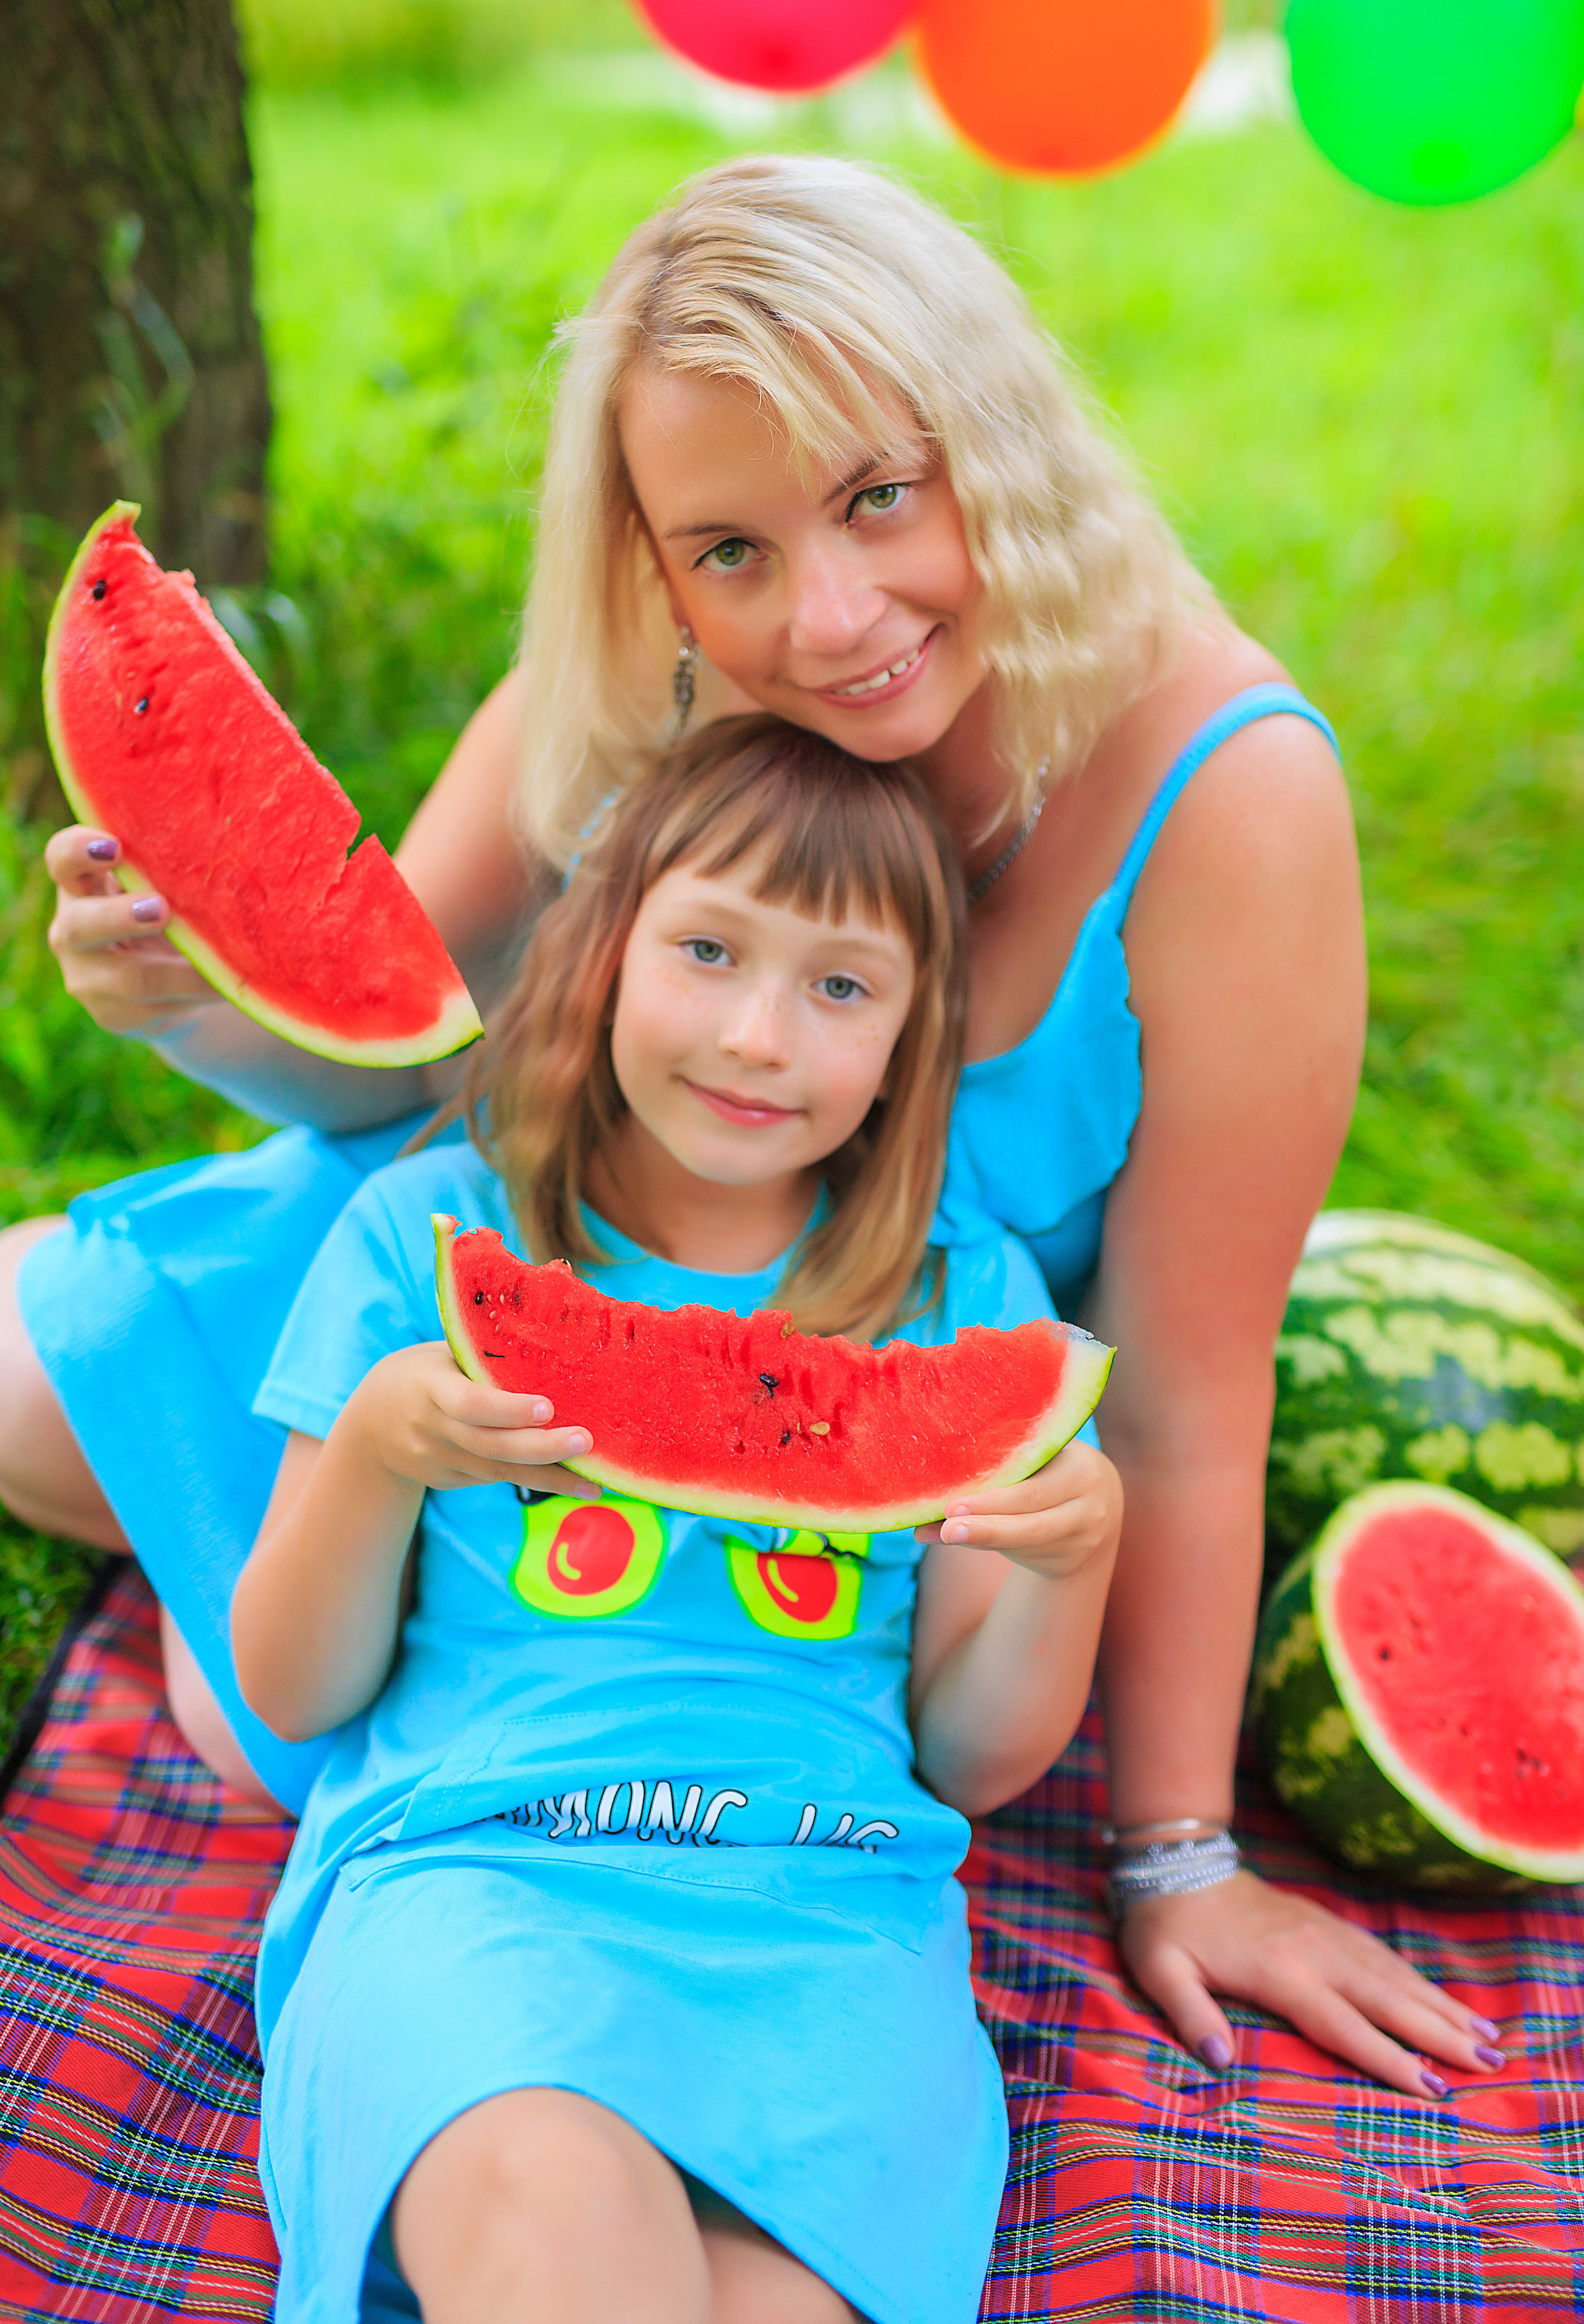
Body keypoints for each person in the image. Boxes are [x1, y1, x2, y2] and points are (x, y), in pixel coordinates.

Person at [0, 154, 1502, 2096]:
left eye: (884, 494)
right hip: (470, 1304)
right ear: (653, 555)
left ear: (1002, 437)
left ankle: (276, 1629)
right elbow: (399, 1066)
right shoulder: (647, 665)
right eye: (731, 550)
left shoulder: (1230, 801)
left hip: (815, 1485)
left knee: (245, 1697)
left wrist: (1180, 1857)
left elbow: (1184, 1400)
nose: (830, 616)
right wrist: (195, 1004)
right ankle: (280, 1590)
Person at [232, 715, 1121, 2323]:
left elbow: (975, 1754)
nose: (761, 1036)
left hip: (825, 1915)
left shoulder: (968, 1304)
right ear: (607, 945)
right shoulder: (420, 1240)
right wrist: (377, 1450)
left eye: (841, 987)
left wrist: (1077, 1558)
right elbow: (291, 1691)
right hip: (475, 1879)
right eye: (709, 950)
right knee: (558, 2222)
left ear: (915, 1039)